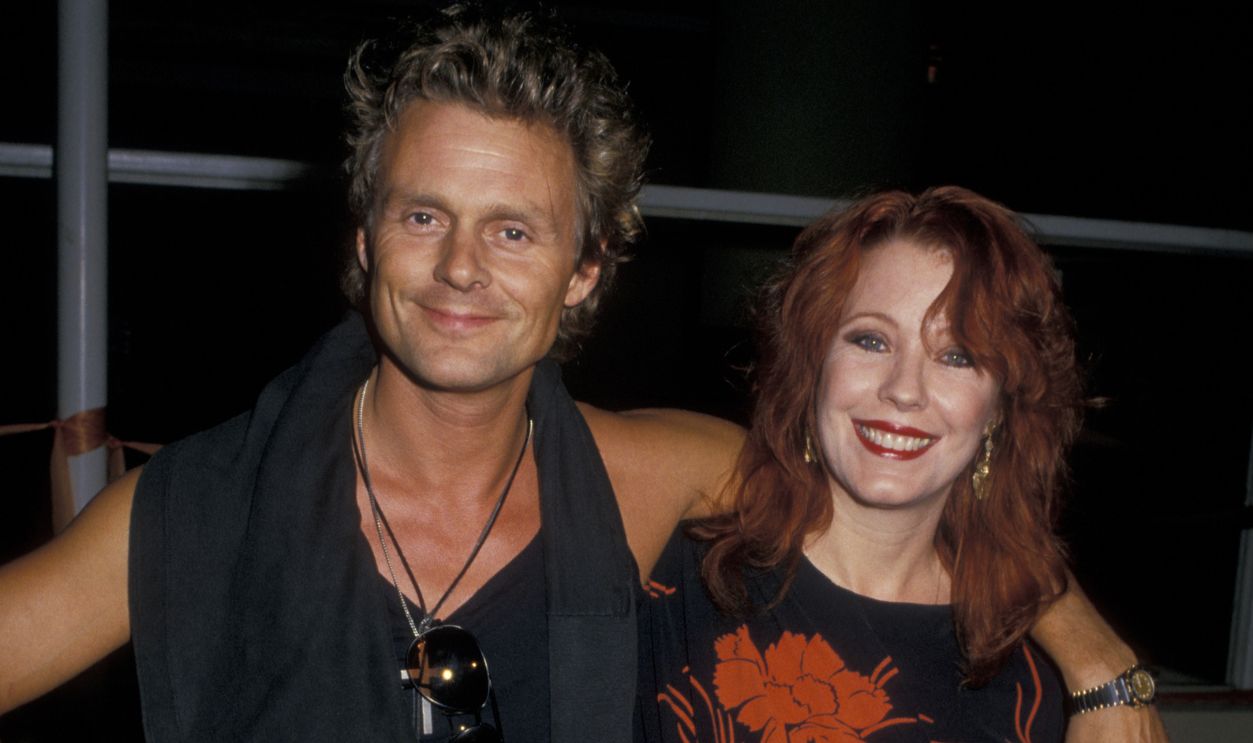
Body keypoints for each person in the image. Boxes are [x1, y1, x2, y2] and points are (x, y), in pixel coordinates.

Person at [0, 6, 1164, 743]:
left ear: (584, 273)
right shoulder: (202, 505)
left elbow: (908, 485)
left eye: (515, 230)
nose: (461, 268)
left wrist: (1099, 663)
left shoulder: (650, 470)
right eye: (422, 215)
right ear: (362, 244)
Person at [636, 187, 1162, 742]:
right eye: (870, 340)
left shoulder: (1042, 687)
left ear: (1000, 411)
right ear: (812, 365)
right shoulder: (672, 575)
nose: (904, 390)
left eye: (957, 355)